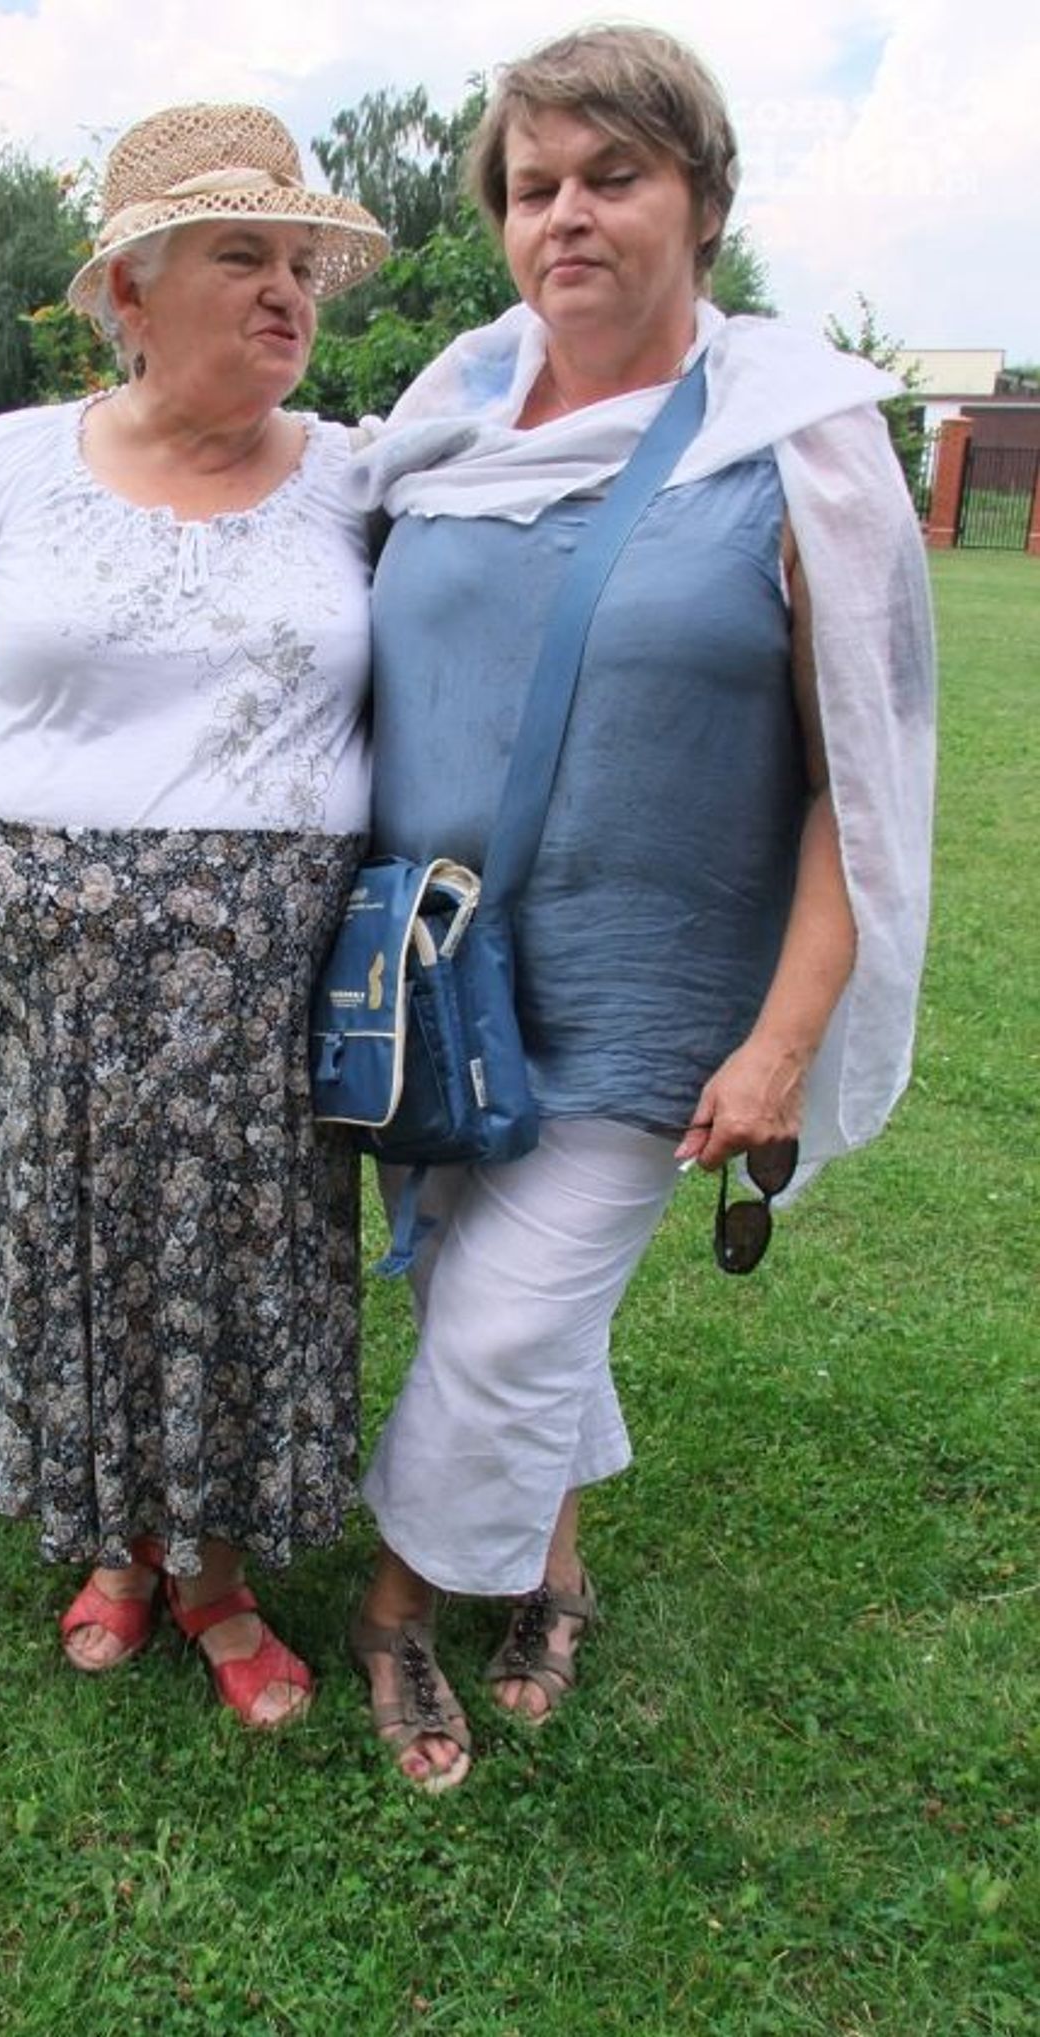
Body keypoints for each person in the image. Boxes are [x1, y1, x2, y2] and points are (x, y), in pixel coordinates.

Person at [345, 26, 935, 1790]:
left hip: (647, 1001)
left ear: (704, 200)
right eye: (534, 187)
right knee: (485, 1285)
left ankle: (391, 1607)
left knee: (502, 1319)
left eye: (614, 176)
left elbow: (856, 788)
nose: (567, 216)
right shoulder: (443, 421)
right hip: (429, 982)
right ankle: (555, 1571)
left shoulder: (801, 450)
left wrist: (782, 1038)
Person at [0, 104, 387, 1729]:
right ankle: (115, 1541)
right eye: (242, 256)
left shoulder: (360, 480)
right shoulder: (6, 467)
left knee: (244, 1263)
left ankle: (215, 1571)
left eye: (299, 263)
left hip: (268, 979)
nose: (286, 292)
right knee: (78, 1250)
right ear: (128, 290)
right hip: (53, 977)